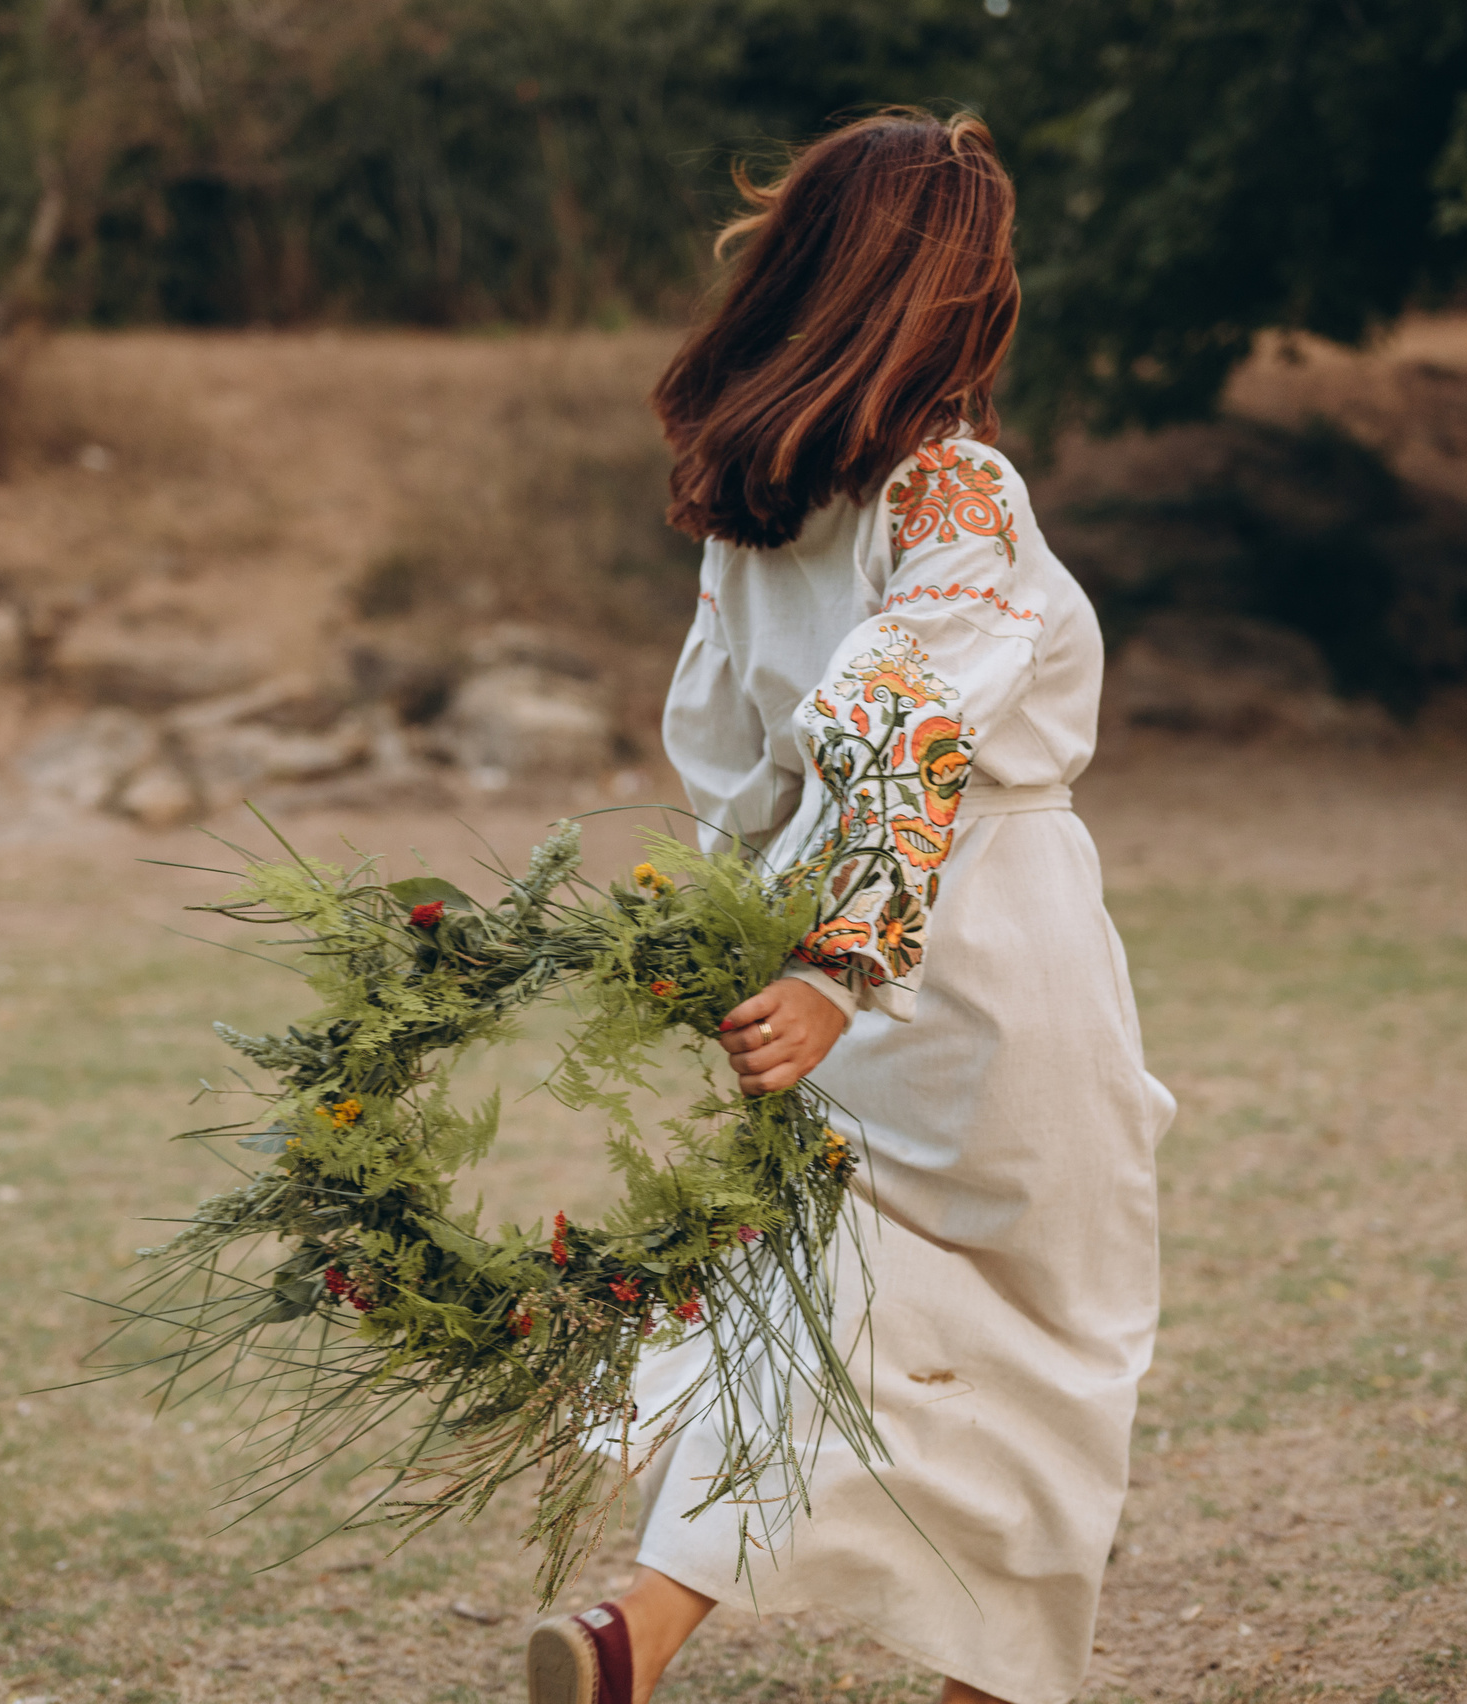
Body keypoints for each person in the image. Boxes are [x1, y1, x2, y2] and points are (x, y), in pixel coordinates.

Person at [523, 110, 1176, 1704]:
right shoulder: (954, 491)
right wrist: (840, 962)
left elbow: (729, 764)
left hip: (817, 966)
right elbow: (907, 718)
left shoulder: (760, 510)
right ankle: (983, 1687)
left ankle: (639, 1633)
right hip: (971, 958)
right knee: (1056, 1334)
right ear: (959, 292)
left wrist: (759, 943)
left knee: (819, 1313)